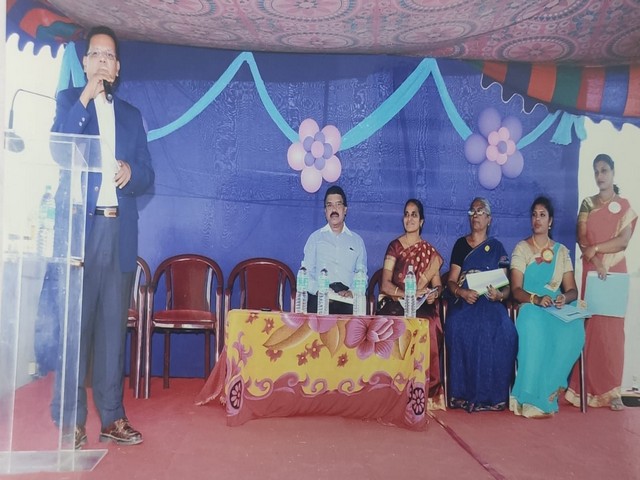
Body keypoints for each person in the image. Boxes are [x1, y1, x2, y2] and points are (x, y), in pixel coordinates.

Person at [50, 26, 154, 448]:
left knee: (113, 330)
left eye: (109, 56)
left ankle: (112, 418)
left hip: (119, 230)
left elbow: (148, 173)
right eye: (95, 54)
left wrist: (132, 173)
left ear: (117, 67)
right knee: (76, 329)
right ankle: (72, 422)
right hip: (81, 230)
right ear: (85, 62)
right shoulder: (68, 102)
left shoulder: (130, 114)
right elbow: (59, 150)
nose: (102, 61)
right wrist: (85, 98)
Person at [566, 154, 637, 411]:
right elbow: (582, 237)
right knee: (593, 328)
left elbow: (623, 242)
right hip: (593, 272)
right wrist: (596, 261)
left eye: (604, 170)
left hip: (615, 271)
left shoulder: (625, 206)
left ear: (613, 172)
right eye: (596, 171)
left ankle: (613, 391)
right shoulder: (588, 203)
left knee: (614, 332)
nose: (600, 176)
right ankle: (586, 389)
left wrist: (596, 249)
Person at [509, 196, 583, 418]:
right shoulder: (522, 249)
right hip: (530, 306)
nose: (537, 219)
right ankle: (527, 398)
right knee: (534, 327)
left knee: (575, 330)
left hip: (555, 309)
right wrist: (536, 299)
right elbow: (516, 290)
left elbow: (572, 290)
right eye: (534, 215)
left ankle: (546, 394)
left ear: (550, 221)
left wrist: (564, 298)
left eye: (542, 215)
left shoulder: (561, 252)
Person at [444, 198, 517, 412]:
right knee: (459, 326)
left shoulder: (497, 248)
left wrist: (499, 295)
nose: (475, 214)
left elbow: (506, 287)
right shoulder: (460, 245)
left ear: (489, 219)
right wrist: (462, 292)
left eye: (480, 211)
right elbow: (451, 281)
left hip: (490, 302)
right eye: (472, 211)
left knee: (505, 330)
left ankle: (493, 397)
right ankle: (461, 394)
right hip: (466, 301)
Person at [377, 199, 445, 410]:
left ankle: (428, 393)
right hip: (396, 301)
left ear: (422, 221)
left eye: (414, 214)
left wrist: (434, 294)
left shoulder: (430, 253)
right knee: (396, 325)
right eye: (406, 214)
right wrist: (407, 293)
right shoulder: (394, 247)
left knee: (431, 324)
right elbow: (385, 284)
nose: (409, 218)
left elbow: (438, 286)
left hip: (421, 304)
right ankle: (392, 391)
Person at [303, 185, 367, 314]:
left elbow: (362, 274)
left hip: (347, 298)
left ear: (345, 210)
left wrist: (352, 292)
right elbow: (305, 274)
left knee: (355, 314)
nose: (334, 209)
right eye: (329, 205)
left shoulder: (357, 241)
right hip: (321, 295)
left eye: (338, 205)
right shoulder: (315, 238)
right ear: (325, 211)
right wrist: (319, 290)